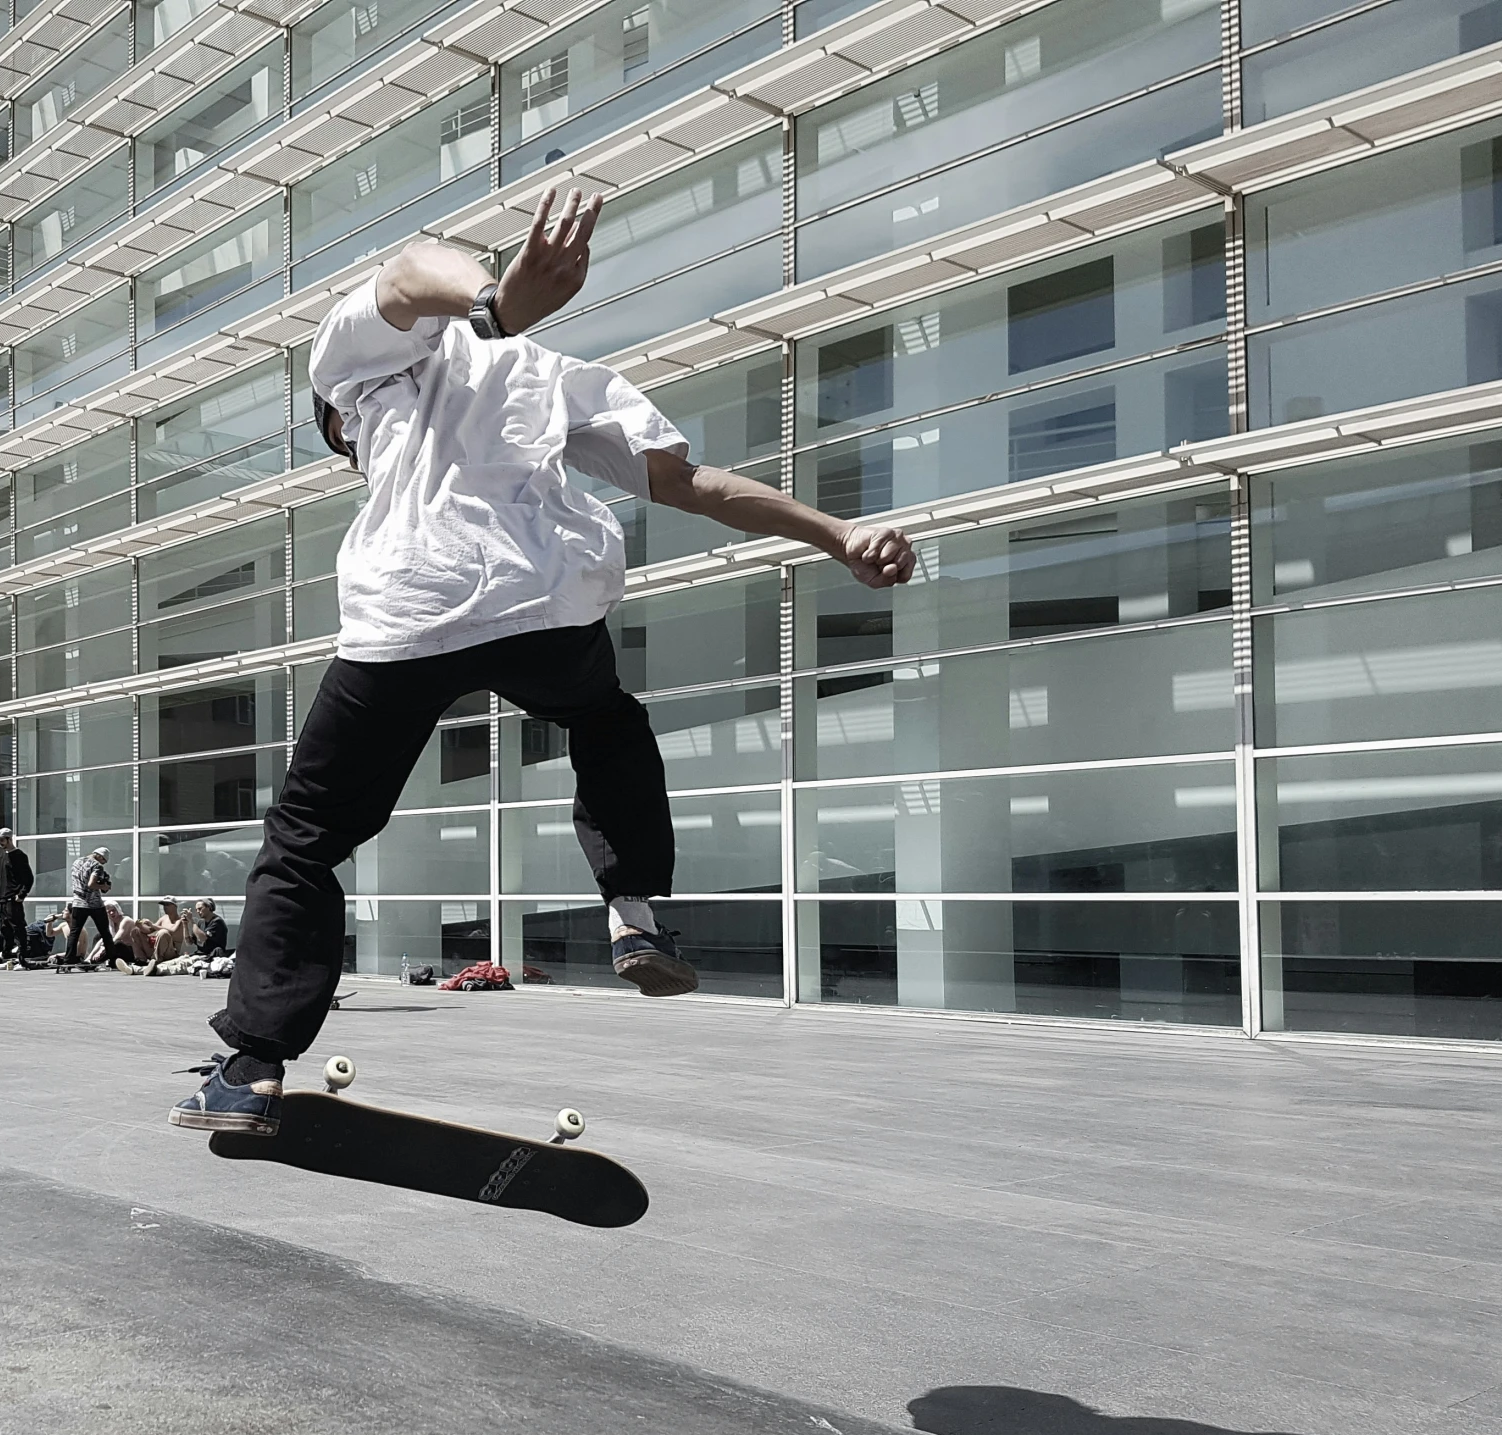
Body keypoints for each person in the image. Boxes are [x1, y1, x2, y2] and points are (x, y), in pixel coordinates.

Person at [173, 192, 914, 1133]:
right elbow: (692, 485)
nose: (350, 451)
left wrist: (494, 303)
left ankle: (250, 1069)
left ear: (333, 417)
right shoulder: (557, 374)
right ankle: (634, 909)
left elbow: (407, 269)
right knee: (607, 721)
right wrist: (837, 531)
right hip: (544, 606)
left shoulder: (357, 375)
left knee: (306, 839)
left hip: (415, 606)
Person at [62, 845, 129, 971]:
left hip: (78, 902)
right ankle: (113, 960)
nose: (103, 863)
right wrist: (104, 886)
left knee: (74, 933)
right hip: (94, 904)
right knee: (105, 932)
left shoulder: (76, 862)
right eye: (103, 860)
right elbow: (91, 884)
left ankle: (68, 960)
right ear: (99, 856)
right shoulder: (96, 866)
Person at [0, 828, 35, 969]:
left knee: (18, 928)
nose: (0, 843)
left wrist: (21, 895)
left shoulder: (19, 856)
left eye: (2, 840)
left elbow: (28, 878)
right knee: (5, 929)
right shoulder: (5, 855)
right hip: (3, 898)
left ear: (9, 839)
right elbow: (8, 875)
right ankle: (6, 955)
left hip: (13, 899)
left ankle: (22, 958)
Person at [141, 896, 191, 977]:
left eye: (167, 905)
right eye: (164, 905)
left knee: (163, 933)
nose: (165, 907)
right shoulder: (163, 918)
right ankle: (140, 960)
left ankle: (155, 961)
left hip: (172, 952)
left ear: (175, 906)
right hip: (159, 950)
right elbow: (149, 930)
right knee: (136, 931)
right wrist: (139, 926)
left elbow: (172, 931)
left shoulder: (180, 920)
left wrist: (152, 925)